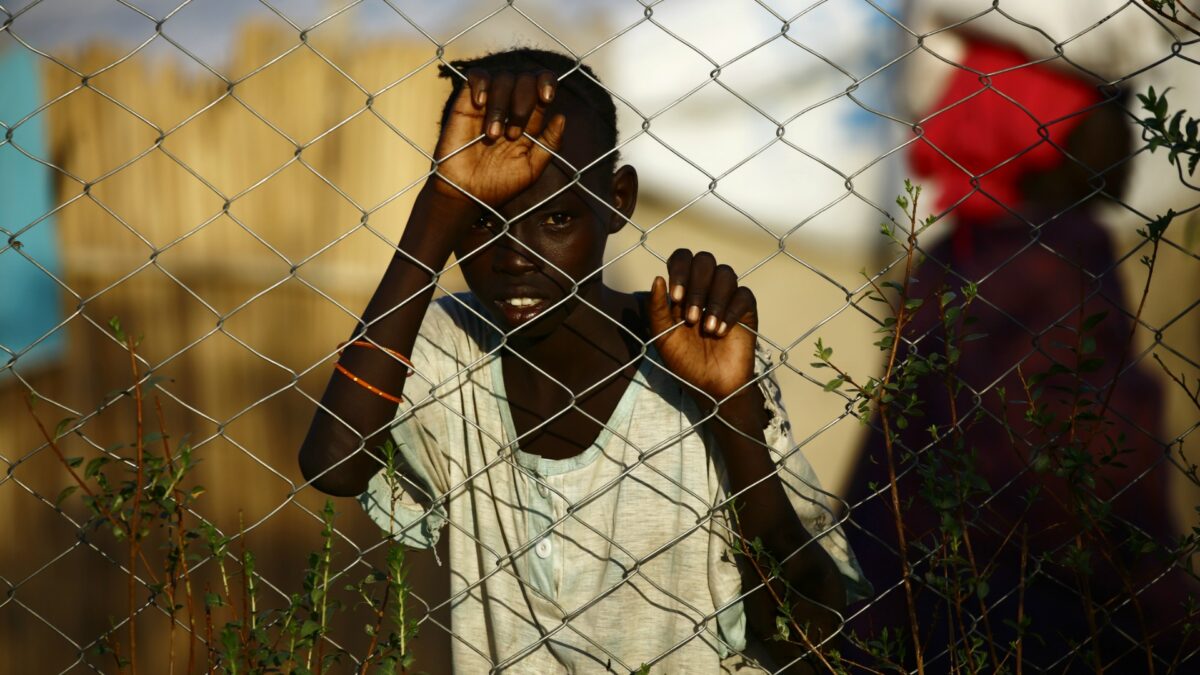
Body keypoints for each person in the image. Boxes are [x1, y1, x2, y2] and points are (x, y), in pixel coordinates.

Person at [297, 49, 866, 673]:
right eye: (480, 221)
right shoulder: (449, 344)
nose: (515, 257)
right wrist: (437, 210)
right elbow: (335, 466)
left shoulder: (698, 351)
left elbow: (811, 636)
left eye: (558, 218)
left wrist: (728, 410)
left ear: (618, 200)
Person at [843, 37, 1194, 672]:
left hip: (925, 598)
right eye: (1104, 105)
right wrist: (1167, 611)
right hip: (1042, 608)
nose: (1127, 133)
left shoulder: (959, 255)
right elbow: (1100, 460)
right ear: (1032, 120)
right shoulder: (1057, 257)